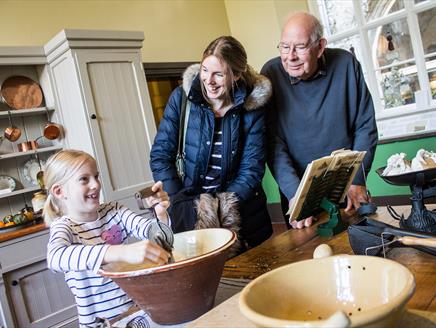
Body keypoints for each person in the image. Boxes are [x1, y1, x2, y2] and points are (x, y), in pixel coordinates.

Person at [150, 36, 273, 251]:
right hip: (189, 212)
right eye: (205, 70)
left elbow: (251, 169)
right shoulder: (181, 98)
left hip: (241, 214)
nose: (209, 80)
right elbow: (160, 155)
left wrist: (222, 210)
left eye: (218, 74)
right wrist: (179, 203)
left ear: (236, 75)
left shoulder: (252, 109)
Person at [261, 12, 378, 229]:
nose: (291, 56)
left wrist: (358, 179)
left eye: (300, 47)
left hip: (346, 183)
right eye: (285, 47)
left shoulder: (346, 64)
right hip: (298, 189)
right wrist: (295, 194)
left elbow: (365, 125)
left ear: (320, 46)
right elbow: (273, 144)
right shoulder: (270, 74)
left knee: (361, 247)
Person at [43, 149, 171, 327]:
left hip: (135, 314)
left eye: (96, 176)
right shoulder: (65, 227)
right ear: (59, 191)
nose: (95, 184)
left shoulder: (114, 211)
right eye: (84, 179)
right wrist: (119, 252)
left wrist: (160, 214)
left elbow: (153, 234)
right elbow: (55, 258)